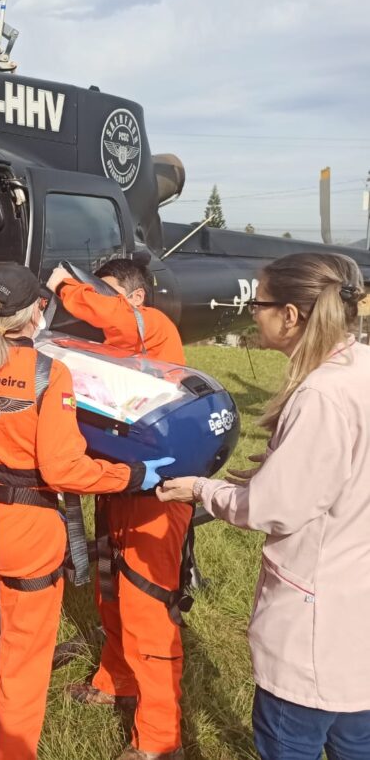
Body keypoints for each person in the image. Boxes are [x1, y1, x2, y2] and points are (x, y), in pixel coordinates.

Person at [0, 264, 173, 760]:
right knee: (23, 655)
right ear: (38, 310)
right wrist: (132, 476)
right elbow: (63, 470)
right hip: (28, 537)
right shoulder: (49, 374)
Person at [158, 253, 370, 760]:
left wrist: (201, 489)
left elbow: (272, 509)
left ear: (292, 316)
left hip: (313, 632)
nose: (254, 312)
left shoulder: (320, 395)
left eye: (260, 302)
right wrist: (283, 464)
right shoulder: (359, 367)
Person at [46, 259, 189, 760]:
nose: (95, 304)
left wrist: (65, 285)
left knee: (148, 606)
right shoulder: (114, 348)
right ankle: (116, 679)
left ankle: (158, 739)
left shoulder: (154, 330)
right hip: (118, 487)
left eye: (104, 294)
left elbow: (120, 320)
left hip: (158, 498)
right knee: (111, 593)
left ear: (134, 299)